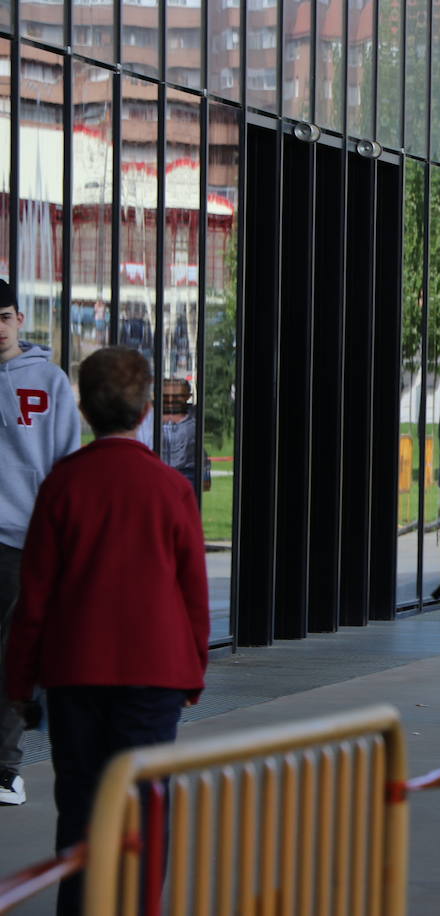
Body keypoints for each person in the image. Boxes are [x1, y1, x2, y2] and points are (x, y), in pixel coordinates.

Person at [4, 347, 208, 914]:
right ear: (146, 410)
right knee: (146, 806)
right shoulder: (171, 489)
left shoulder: (63, 487)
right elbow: (193, 592)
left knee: (81, 809)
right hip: (154, 674)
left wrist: (20, 683)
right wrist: (192, 670)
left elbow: (34, 599)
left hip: (77, 673)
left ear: (85, 412)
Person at [0, 279, 83, 807]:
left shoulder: (48, 381)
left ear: (19, 320)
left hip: (21, 540)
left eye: (4, 316)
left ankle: (6, 768)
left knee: (11, 656)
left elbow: (67, 463)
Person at [159, 378, 210, 493]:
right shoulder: (152, 419)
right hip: (160, 474)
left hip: (187, 475)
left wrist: (206, 475)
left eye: (177, 396)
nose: (171, 400)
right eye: (166, 396)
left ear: (187, 396)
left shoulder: (195, 420)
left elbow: (201, 451)